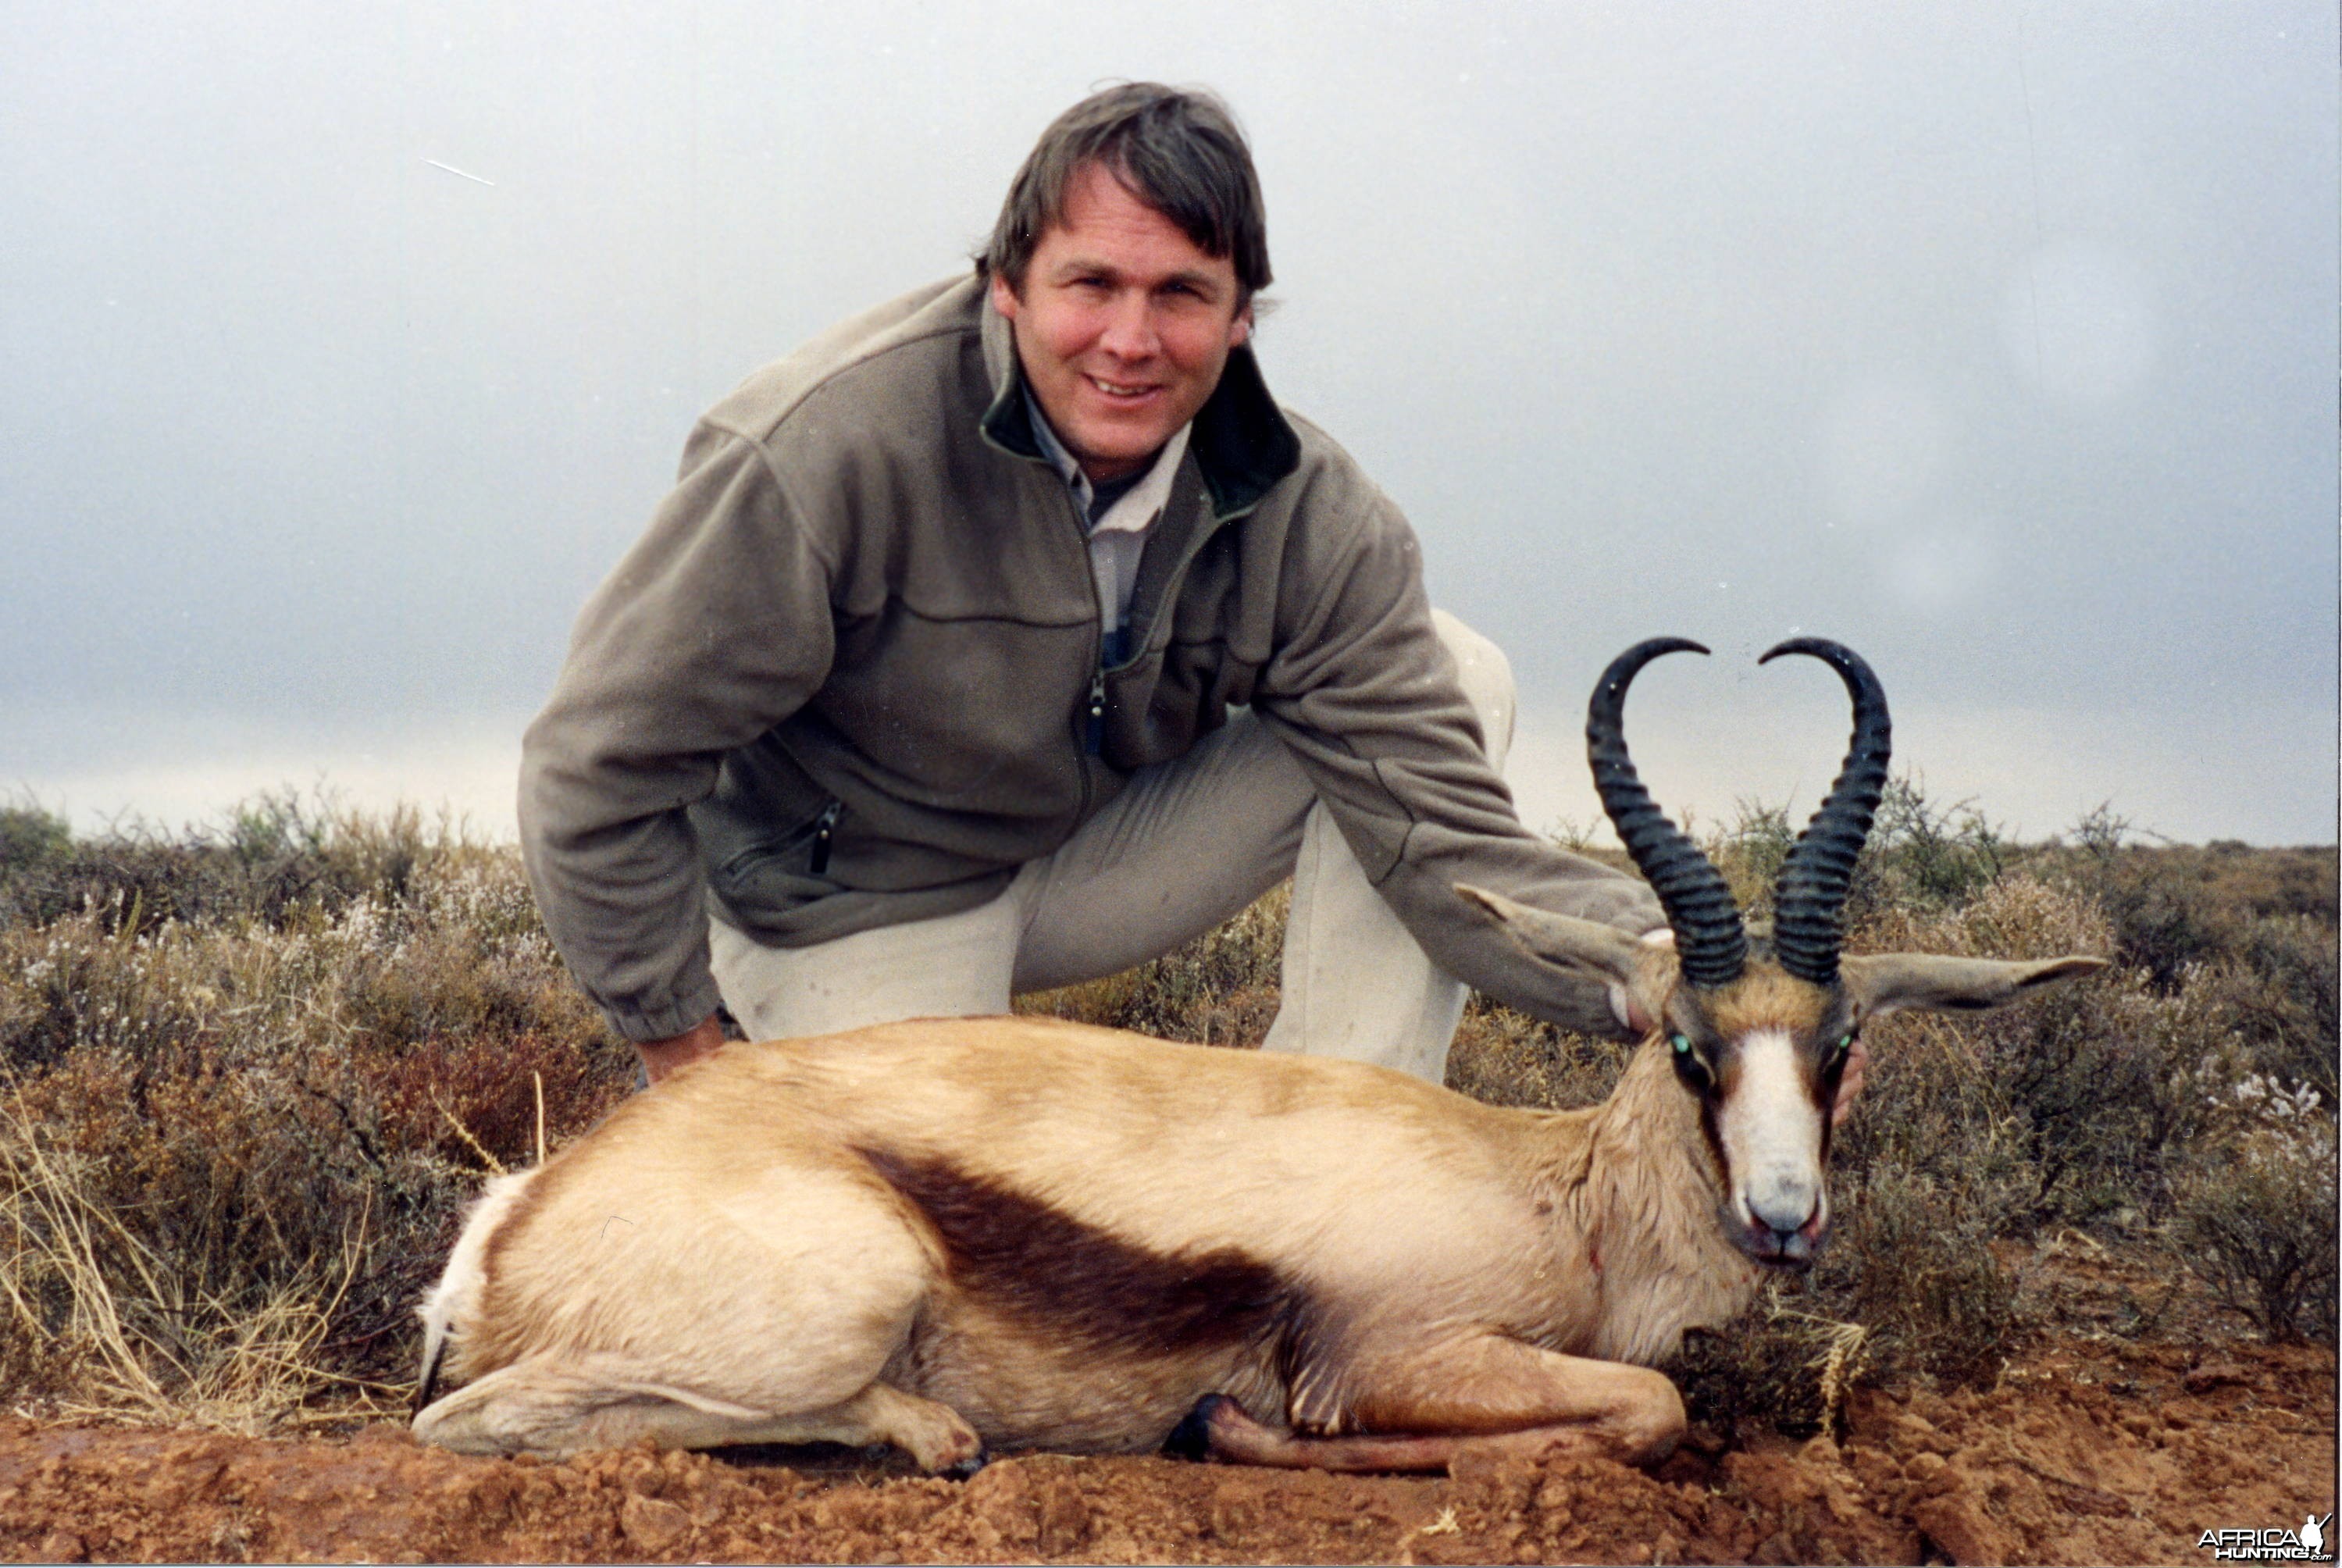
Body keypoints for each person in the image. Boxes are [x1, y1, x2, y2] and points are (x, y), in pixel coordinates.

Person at [519, 83, 1668, 1089]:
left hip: (1083, 852)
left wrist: (1690, 980)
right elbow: (594, 763)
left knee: (1460, 672)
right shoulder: (823, 449)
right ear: (1006, 284)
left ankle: (1328, 1186)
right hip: (853, 897)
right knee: (963, 1246)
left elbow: (1447, 841)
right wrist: (687, 1056)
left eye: (1180, 293)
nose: (1130, 339)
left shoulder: (1307, 509)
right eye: (1092, 283)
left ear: (1241, 316)